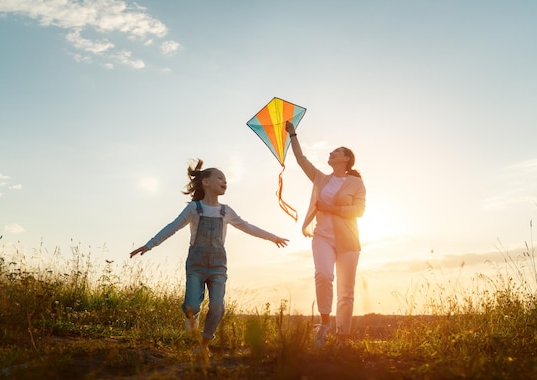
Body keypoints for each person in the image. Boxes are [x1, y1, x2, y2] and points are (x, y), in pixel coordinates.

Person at [129, 159, 289, 358]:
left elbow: (248, 227)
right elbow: (173, 226)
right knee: (193, 306)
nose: (225, 181)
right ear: (206, 182)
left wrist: (273, 237)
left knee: (217, 306)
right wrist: (150, 244)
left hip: (218, 265)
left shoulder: (226, 211)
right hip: (196, 264)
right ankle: (191, 314)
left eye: (226, 179)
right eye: (220, 178)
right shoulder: (194, 209)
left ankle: (204, 344)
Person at [285, 121, 366, 347]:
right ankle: (324, 323)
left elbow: (358, 211)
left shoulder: (356, 184)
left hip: (348, 241)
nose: (331, 153)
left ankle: (342, 337)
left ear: (346, 159)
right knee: (323, 275)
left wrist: (329, 208)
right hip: (322, 236)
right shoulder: (321, 179)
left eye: (336, 151)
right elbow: (301, 160)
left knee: (346, 291)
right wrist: (293, 134)